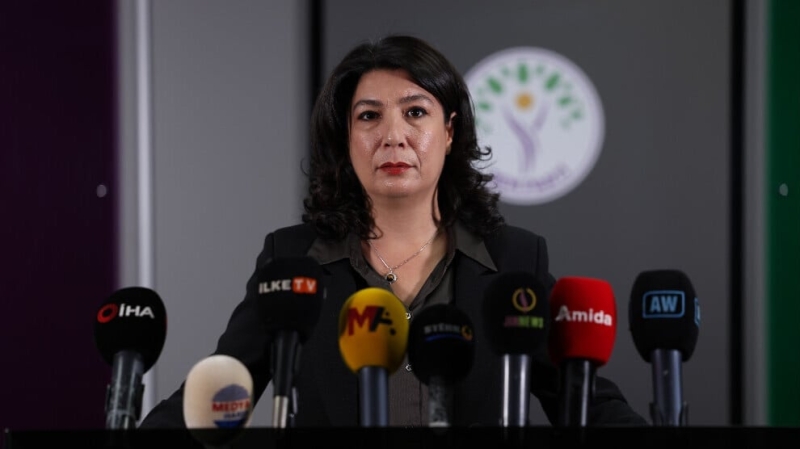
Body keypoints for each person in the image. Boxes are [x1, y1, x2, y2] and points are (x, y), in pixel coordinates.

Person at [138, 34, 647, 428]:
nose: (393, 136)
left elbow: (587, 402)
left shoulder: (513, 260)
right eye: (369, 116)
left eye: (415, 112)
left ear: (449, 132)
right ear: (347, 137)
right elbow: (217, 392)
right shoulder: (291, 261)